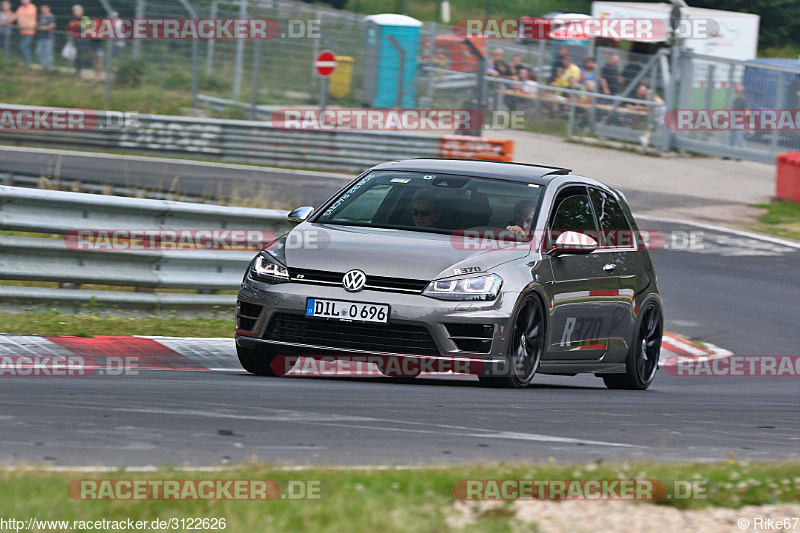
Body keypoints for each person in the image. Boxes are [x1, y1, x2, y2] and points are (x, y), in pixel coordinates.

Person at [15, 0, 37, 66]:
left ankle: (28, 62)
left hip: (30, 31)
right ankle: (26, 61)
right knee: (23, 46)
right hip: (22, 31)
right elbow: (15, 16)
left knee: (24, 46)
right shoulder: (20, 8)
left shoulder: (32, 7)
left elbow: (26, 16)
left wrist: (20, 16)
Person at [35, 3, 53, 69]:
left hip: (48, 37)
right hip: (41, 37)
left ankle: (48, 67)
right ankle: (43, 64)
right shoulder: (40, 16)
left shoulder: (51, 16)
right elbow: (37, 24)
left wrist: (42, 28)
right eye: (42, 9)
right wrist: (37, 26)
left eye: (45, 8)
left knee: (48, 53)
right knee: (39, 51)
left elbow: (52, 26)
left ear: (48, 9)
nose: (43, 10)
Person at [731, 83, 748, 149]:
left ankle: (742, 152)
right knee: (732, 137)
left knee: (739, 137)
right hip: (734, 120)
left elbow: (746, 112)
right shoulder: (735, 100)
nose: (737, 93)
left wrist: (740, 119)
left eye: (739, 91)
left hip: (740, 122)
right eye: (736, 91)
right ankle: (729, 152)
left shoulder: (744, 100)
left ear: (742, 92)